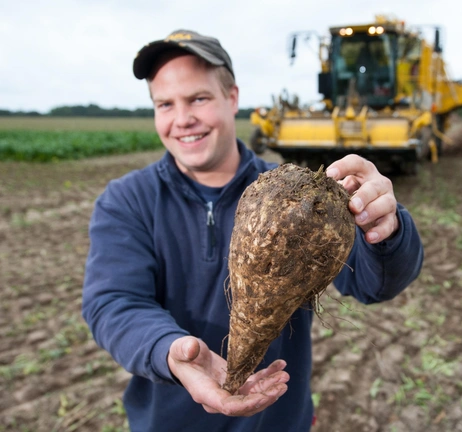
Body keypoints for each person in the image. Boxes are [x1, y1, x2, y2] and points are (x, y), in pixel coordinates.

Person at [81, 29, 424, 431]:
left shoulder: (294, 200)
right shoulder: (128, 200)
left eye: (198, 99)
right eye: (164, 104)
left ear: (232, 98)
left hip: (277, 419)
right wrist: (168, 350)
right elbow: (112, 303)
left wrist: (385, 230)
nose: (182, 119)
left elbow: (374, 285)